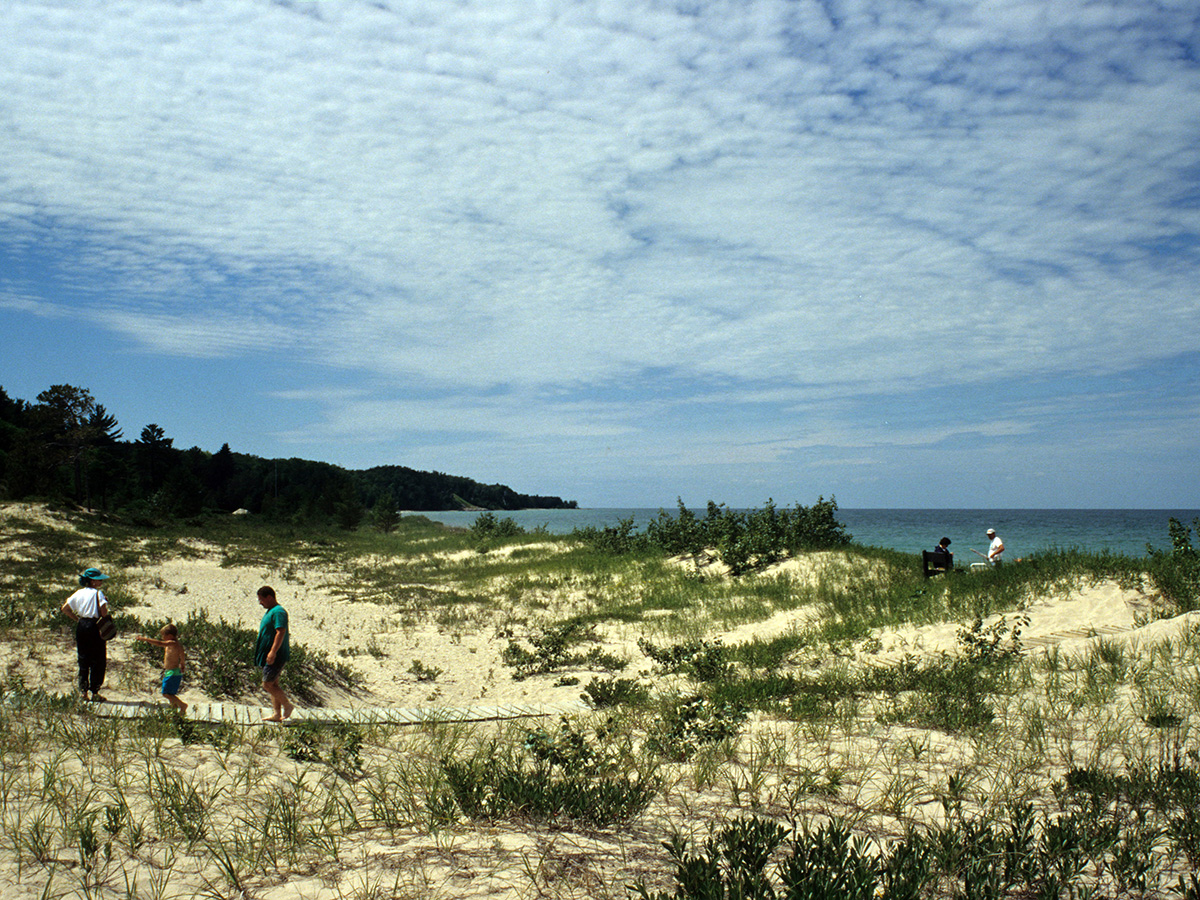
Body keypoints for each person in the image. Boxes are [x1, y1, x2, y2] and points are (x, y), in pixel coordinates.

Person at [61, 567, 111, 702]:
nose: (101, 581)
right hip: (94, 626)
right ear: (93, 581)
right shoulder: (97, 593)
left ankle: (83, 692)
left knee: (83, 659)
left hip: (82, 626)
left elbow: (65, 609)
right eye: (99, 579)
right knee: (97, 660)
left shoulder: (78, 593)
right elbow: (104, 611)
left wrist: (78, 619)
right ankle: (94, 692)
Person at [255, 585, 293, 722]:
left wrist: (272, 652)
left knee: (267, 684)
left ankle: (287, 705)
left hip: (277, 655)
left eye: (261, 600)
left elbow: (281, 631)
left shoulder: (278, 612)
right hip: (271, 654)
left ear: (269, 597)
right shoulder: (271, 611)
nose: (260, 603)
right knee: (274, 684)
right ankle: (277, 714)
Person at [134, 624, 188, 714]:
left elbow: (159, 643)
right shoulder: (178, 644)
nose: (162, 637)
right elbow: (182, 654)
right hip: (172, 672)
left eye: (164, 635)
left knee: (165, 693)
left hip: (172, 672)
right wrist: (182, 664)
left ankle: (182, 705)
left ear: (170, 635)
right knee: (170, 694)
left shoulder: (172, 643)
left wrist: (145, 639)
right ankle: (174, 712)